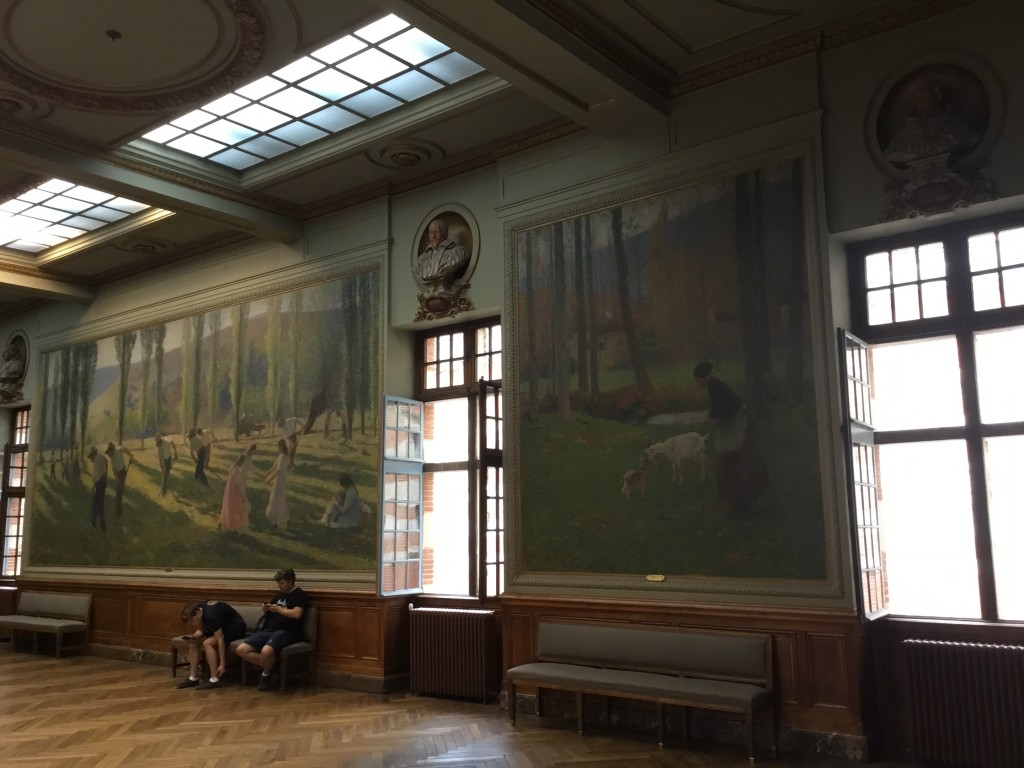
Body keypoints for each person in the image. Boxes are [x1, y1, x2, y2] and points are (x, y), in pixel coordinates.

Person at [692, 362, 766, 510]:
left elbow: (726, 410)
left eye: (698, 379)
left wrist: (712, 416)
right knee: (729, 459)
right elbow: (721, 409)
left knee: (734, 460)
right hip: (731, 425)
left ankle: (742, 499)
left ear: (704, 377)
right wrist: (713, 415)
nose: (697, 383)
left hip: (736, 425)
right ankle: (738, 499)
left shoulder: (715, 387)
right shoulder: (714, 386)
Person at [233, 568, 308, 691]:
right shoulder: (279, 595)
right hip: (269, 629)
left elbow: (296, 614)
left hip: (287, 631)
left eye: (282, 583)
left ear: (290, 581)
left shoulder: (300, 594)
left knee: (266, 651)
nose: (279, 586)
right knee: (241, 649)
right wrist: (266, 609)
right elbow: (272, 608)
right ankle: (272, 665)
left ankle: (266, 674)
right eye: (278, 583)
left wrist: (278, 609)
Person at [176, 600, 247, 690]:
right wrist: (194, 637)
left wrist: (222, 664)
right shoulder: (199, 609)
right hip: (219, 629)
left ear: (197, 613)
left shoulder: (212, 615)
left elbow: (220, 640)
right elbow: (202, 629)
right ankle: (193, 678)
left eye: (193, 620)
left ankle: (214, 679)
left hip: (235, 628)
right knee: (193, 642)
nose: (193, 623)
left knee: (207, 643)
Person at [415, 218, 469, 288]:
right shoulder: (421, 259)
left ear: (445, 233)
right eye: (431, 232)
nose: (433, 236)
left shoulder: (459, 252)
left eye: (436, 232)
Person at [219, 444, 257, 532]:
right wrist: (243, 497)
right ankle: (232, 527)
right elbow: (239, 485)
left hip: (229, 492)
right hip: (234, 493)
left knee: (228, 507)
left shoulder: (233, 468)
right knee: (234, 508)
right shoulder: (237, 472)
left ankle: (226, 525)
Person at [263, 439, 291, 529]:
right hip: (281, 480)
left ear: (280, 446)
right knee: (279, 500)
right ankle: (283, 521)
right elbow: (274, 466)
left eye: (278, 447)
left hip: (280, 481)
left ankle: (277, 522)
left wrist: (269, 480)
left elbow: (278, 471)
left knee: (276, 500)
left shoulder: (283, 456)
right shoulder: (283, 456)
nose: (278, 448)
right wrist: (266, 474)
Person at [105, 441, 133, 517]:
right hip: (118, 473)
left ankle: (118, 509)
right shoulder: (112, 460)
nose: (109, 455)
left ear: (112, 450)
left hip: (122, 470)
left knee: (120, 490)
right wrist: (117, 481)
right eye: (108, 453)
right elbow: (115, 472)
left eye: (109, 453)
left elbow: (126, 449)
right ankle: (118, 508)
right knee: (119, 489)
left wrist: (131, 457)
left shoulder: (118, 450)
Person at [87, 445, 109, 532]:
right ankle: (95, 523)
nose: (91, 460)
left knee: (98, 505)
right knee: (98, 504)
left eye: (91, 458)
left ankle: (97, 524)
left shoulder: (96, 463)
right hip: (103, 482)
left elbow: (96, 479)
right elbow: (107, 461)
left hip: (100, 483)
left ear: (93, 455)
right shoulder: (100, 456)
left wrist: (93, 490)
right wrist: (106, 473)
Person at [155, 432, 177, 497]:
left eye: (158, 439)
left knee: (166, 474)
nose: (158, 441)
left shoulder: (166, 441)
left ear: (161, 438)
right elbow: (160, 459)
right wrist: (162, 468)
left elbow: (172, 443)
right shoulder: (158, 448)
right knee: (164, 475)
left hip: (168, 458)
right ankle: (164, 490)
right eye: (157, 440)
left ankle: (164, 491)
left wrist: (176, 453)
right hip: (164, 460)